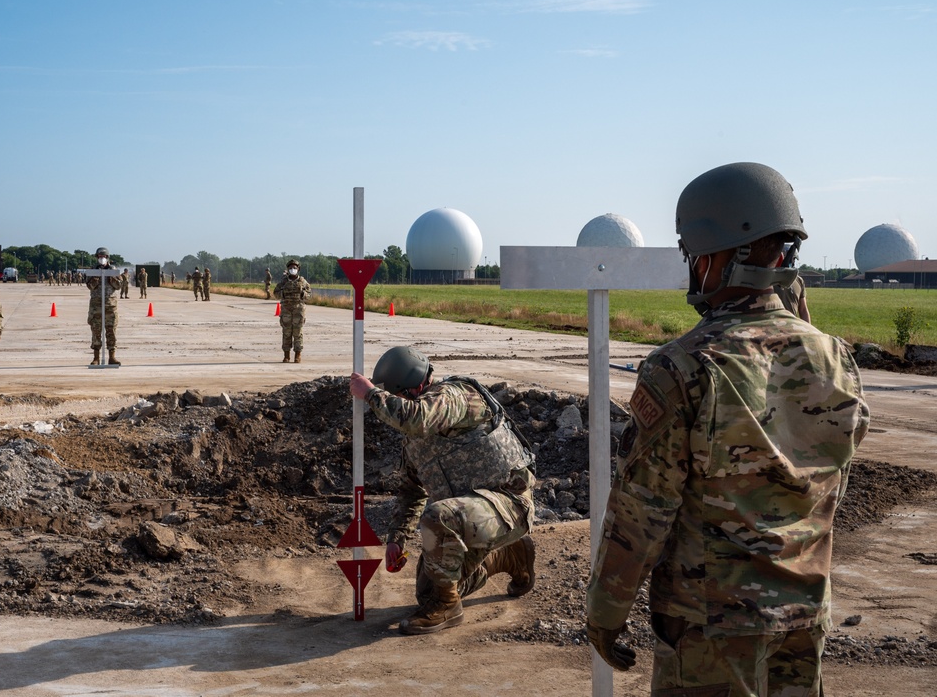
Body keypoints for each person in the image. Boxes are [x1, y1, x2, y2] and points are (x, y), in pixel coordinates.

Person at [585, 162, 871, 696]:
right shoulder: (834, 357)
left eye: (693, 255)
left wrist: (605, 610)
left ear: (716, 256)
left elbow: (642, 512)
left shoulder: (683, 367)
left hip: (711, 627)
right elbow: (831, 481)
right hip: (804, 618)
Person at [349, 346, 537, 635]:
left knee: (437, 517)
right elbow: (411, 492)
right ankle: (508, 556)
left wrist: (371, 394)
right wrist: (396, 540)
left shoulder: (454, 396)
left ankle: (448, 609)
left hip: (508, 504)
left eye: (397, 398)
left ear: (414, 389)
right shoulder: (417, 440)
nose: (394, 405)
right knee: (429, 591)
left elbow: (418, 417)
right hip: (472, 515)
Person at [86, 247, 121, 366]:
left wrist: (112, 279)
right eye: (100, 257)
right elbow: (89, 286)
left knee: (111, 331)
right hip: (96, 306)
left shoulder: (113, 270)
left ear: (107, 257)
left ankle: (112, 357)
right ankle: (96, 357)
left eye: (104, 257)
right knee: (96, 331)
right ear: (97, 258)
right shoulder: (93, 270)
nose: (102, 259)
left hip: (110, 305)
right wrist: (96, 279)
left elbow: (119, 286)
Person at [273, 259, 311, 362]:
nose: (292, 269)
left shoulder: (303, 282)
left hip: (298, 310)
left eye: (294, 267)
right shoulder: (283, 282)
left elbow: (309, 295)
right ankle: (286, 355)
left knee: (298, 332)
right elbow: (275, 293)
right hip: (286, 309)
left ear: (298, 269)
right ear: (287, 269)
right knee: (286, 332)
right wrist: (283, 294)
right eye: (290, 268)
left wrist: (303, 294)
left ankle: (298, 355)